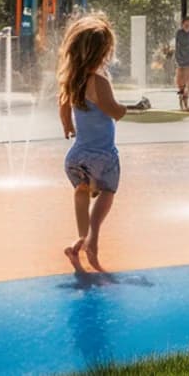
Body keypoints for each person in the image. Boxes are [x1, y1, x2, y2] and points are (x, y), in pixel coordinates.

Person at [58, 14, 127, 274]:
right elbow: (112, 110)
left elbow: (63, 107)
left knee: (82, 191)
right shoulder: (98, 80)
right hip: (103, 155)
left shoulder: (72, 79)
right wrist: (127, 110)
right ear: (103, 52)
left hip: (76, 157)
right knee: (107, 192)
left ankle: (80, 236)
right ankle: (93, 239)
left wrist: (67, 126)